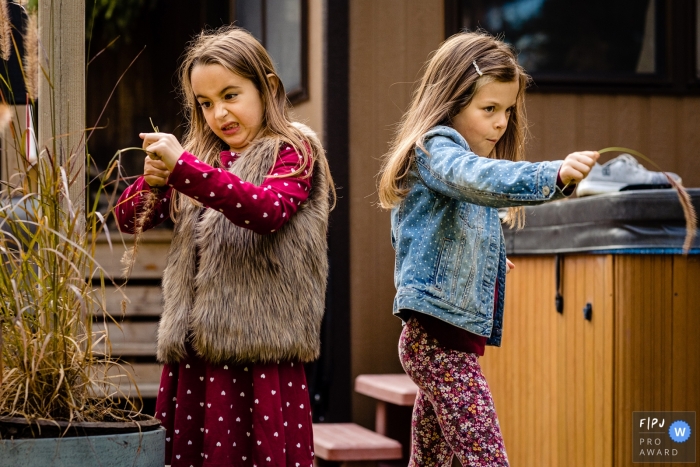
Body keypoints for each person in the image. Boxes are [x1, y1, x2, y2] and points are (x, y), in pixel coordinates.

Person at [377, 31, 599, 466]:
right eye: (489, 109)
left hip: (443, 340)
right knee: (487, 457)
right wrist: (552, 175)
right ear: (452, 101)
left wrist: (489, 260)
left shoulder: (453, 168)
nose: (501, 122)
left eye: (508, 110)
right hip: (437, 342)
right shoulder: (437, 152)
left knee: (432, 460)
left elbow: (433, 232)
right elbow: (477, 178)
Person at [116, 26, 334, 467]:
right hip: (195, 355)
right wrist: (153, 182)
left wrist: (186, 169)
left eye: (231, 95)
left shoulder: (293, 150)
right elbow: (128, 219)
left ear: (267, 87)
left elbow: (267, 211)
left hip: (261, 353)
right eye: (205, 103)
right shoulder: (203, 157)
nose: (219, 113)